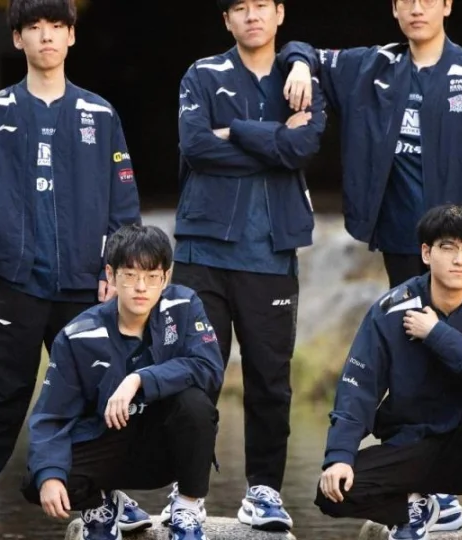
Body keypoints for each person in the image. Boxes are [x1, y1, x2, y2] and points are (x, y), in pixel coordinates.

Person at [0, 0, 141, 537]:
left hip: (87, 286)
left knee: (100, 396)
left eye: (56, 26)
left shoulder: (100, 114)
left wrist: (115, 272)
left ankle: (105, 501)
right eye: (34, 27)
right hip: (17, 285)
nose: (46, 36)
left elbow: (124, 206)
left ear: (72, 35)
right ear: (17, 38)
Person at [168, 0, 325, 532]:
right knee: (194, 375)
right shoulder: (203, 74)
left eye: (262, 5)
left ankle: (263, 491)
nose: (252, 15)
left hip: (271, 252)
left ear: (280, 13)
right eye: (240, 7)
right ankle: (186, 494)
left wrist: (233, 131)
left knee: (270, 380)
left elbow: (303, 148)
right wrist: (275, 140)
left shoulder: (300, 78)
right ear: (226, 20)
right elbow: (195, 147)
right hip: (203, 251)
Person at [277, 0, 462, 290]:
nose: (416, 10)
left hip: (461, 240)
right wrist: (300, 65)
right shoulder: (373, 67)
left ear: (447, 6)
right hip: (399, 239)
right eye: (407, 1)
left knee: (458, 319)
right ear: (394, 8)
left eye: (427, 1)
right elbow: (300, 50)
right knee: (408, 319)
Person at [314, 204, 462, 540]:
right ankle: (413, 507)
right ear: (427, 253)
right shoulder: (391, 309)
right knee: (331, 491)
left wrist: (436, 334)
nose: (459, 260)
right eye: (448, 248)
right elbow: (357, 389)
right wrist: (339, 456)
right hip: (412, 446)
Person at [22, 224, 224, 540]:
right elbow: (51, 416)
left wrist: (140, 379)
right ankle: (102, 504)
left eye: (152, 276)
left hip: (165, 448)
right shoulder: (78, 335)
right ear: (111, 276)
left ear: (166, 277)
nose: (141, 287)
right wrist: (49, 475)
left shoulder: (184, 306)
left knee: (195, 404)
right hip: (109, 442)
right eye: (130, 275)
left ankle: (186, 507)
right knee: (41, 477)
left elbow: (208, 367)